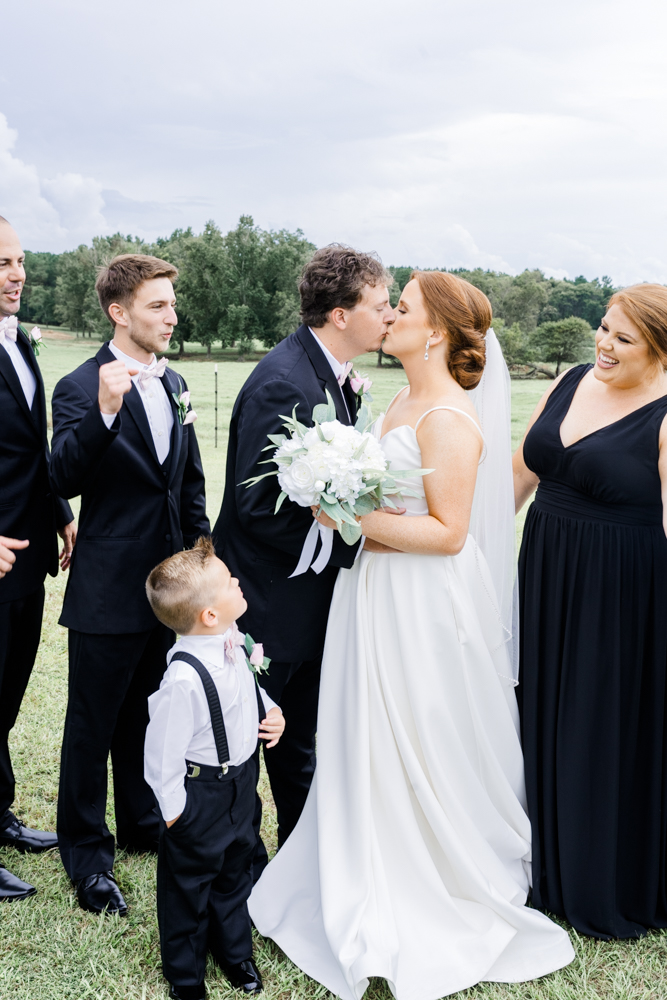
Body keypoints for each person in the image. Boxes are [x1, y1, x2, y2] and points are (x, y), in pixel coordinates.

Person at [248, 272, 574, 999]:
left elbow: (449, 533)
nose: (389, 315)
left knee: (416, 733)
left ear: (434, 333)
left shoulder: (449, 419)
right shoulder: (398, 398)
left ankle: (422, 874)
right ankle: (361, 857)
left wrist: (345, 515)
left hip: (421, 604)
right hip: (373, 592)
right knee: (366, 733)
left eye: (404, 308)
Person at [213, 244, 395, 877]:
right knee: (253, 741)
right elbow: (255, 506)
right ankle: (244, 878)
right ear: (341, 314)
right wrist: (355, 536)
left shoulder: (331, 374)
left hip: (308, 599)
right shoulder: (284, 380)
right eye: (379, 305)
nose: (391, 316)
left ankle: (300, 871)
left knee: (298, 743)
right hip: (269, 599)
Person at [50, 254, 209, 916]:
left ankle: (144, 826)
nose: (171, 317)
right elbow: (58, 478)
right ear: (119, 313)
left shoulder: (176, 384)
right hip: (108, 588)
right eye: (157, 306)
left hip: (169, 592)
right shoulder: (78, 386)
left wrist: (204, 560)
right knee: (91, 727)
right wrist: (105, 414)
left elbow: (190, 481)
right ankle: (88, 860)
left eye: (172, 305)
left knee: (152, 717)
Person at [513, 284, 667, 939]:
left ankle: (595, 877)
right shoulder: (573, 378)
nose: (602, 345)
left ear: (660, 351)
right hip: (544, 572)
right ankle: (535, 865)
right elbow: (519, 476)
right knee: (535, 707)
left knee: (594, 723)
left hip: (619, 597)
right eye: (602, 329)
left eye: (622, 338)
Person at [144, 537, 285, 1000]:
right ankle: (186, 975)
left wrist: (271, 710)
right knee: (188, 886)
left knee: (235, 870)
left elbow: (248, 687)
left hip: (242, 784)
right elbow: (161, 756)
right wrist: (174, 813)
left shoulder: (232, 638)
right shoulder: (182, 680)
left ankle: (234, 951)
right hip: (199, 796)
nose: (237, 581)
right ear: (208, 614)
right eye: (229, 582)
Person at [0, 216, 76, 901]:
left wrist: (60, 514)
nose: (17, 273)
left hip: (28, 553)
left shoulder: (20, 343)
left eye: (18, 260)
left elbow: (27, 448)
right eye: (2, 263)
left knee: (6, 695)